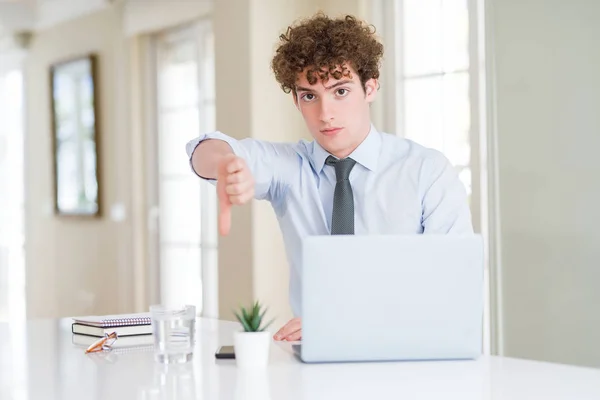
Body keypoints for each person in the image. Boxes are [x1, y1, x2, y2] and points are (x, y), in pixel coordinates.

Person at [185, 13, 473, 342]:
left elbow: (453, 286)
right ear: (296, 100)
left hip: (408, 354)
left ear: (370, 87)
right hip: (312, 361)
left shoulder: (427, 172)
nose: (325, 114)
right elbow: (204, 149)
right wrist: (225, 164)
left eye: (340, 91)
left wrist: (348, 322)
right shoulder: (290, 168)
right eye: (309, 96)